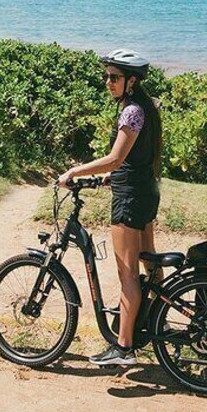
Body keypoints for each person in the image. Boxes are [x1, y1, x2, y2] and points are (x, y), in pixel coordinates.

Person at [57, 48, 163, 366]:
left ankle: (124, 347)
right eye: (106, 76)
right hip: (144, 192)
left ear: (131, 81)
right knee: (149, 262)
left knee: (127, 274)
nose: (108, 82)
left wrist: (76, 171)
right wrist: (110, 178)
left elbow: (117, 158)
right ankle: (159, 318)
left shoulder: (131, 112)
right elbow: (136, 159)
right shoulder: (146, 107)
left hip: (130, 200)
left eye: (114, 77)